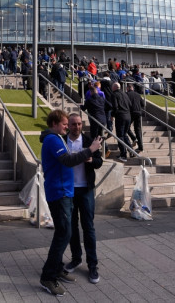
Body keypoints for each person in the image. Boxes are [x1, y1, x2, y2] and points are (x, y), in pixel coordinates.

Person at [39, 109, 102, 297]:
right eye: (66, 123)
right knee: (65, 232)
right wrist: (90, 150)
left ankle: (59, 268)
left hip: (71, 191)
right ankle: (48, 276)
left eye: (74, 124)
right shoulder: (53, 139)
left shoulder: (57, 138)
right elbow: (67, 160)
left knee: (72, 230)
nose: (69, 126)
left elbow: (96, 161)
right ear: (54, 123)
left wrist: (92, 155)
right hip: (60, 193)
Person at [63, 113, 103, 284]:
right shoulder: (62, 141)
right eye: (73, 124)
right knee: (71, 227)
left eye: (79, 124)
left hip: (85, 189)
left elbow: (99, 162)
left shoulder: (89, 141)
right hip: (69, 190)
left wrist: (92, 160)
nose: (77, 127)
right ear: (68, 125)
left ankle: (92, 265)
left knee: (88, 227)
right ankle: (76, 258)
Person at [109, 82, 132, 161]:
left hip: (120, 116)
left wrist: (112, 115)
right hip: (128, 115)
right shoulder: (125, 94)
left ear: (114, 87)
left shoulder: (114, 95)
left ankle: (123, 154)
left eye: (112, 87)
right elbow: (130, 104)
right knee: (124, 134)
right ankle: (131, 149)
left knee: (120, 135)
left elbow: (115, 107)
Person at [125, 82, 144, 152]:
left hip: (131, 113)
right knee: (138, 130)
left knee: (126, 128)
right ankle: (140, 146)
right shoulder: (138, 95)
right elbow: (143, 104)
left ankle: (133, 138)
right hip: (138, 113)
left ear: (127, 88)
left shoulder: (126, 94)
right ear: (133, 88)